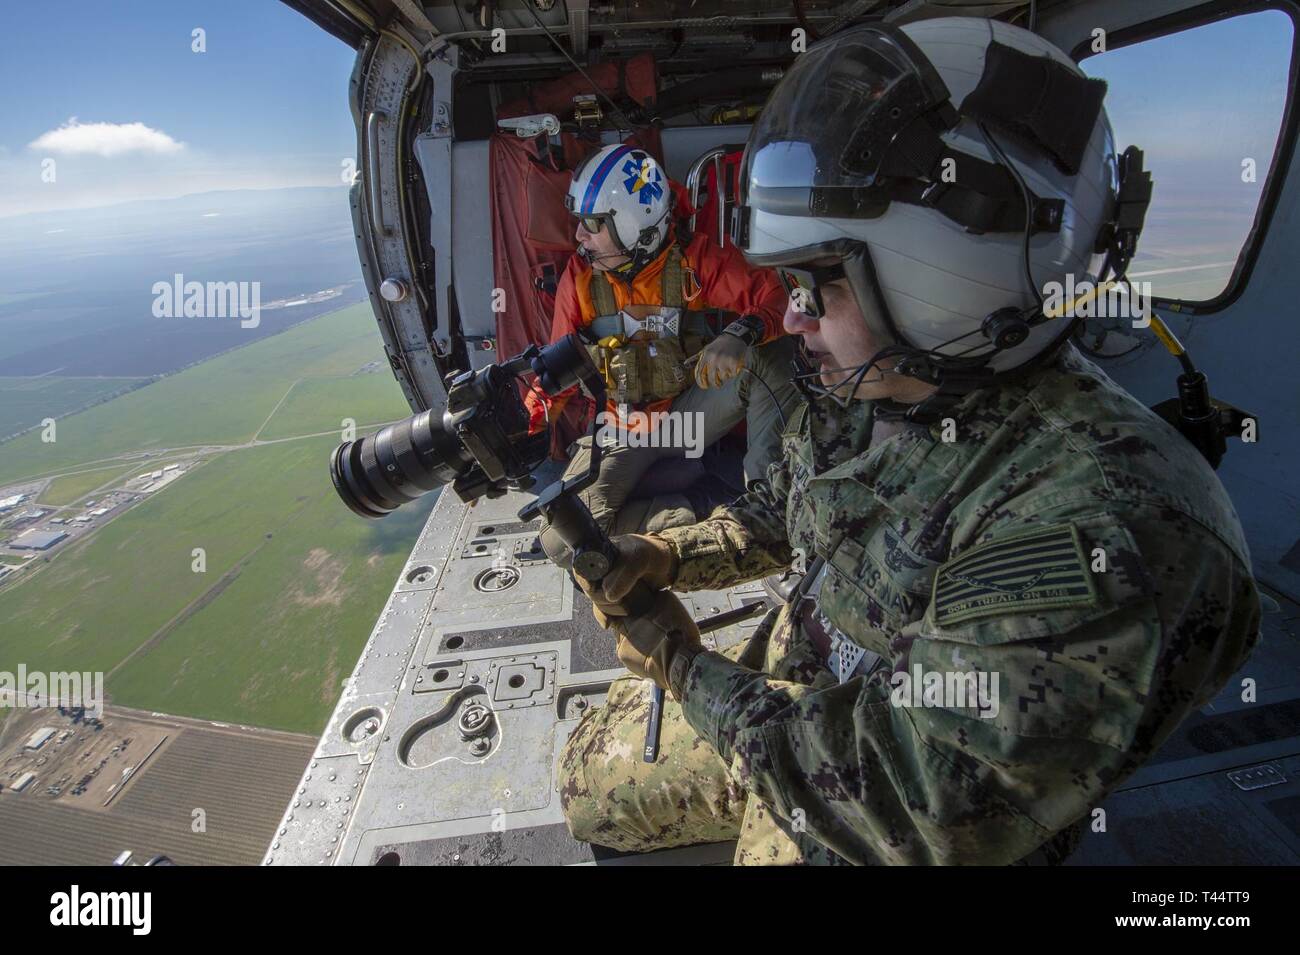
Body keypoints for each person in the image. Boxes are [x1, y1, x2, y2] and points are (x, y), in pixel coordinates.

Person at [556, 17, 1261, 865]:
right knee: (582, 777)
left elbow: (909, 798)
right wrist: (670, 558)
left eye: (820, 285)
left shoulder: (1109, 520)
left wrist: (682, 664)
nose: (790, 318)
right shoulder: (880, 379)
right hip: (800, 682)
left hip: (879, 792)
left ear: (946, 284)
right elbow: (785, 512)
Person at [526, 142, 799, 565]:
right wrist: (522, 431)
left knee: (771, 353)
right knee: (565, 542)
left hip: (688, 417)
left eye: (592, 224)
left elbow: (779, 295)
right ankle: (702, 505)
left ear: (635, 225)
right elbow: (554, 375)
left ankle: (767, 507)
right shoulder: (579, 280)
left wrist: (740, 333)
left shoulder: (692, 260)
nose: (579, 236)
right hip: (623, 427)